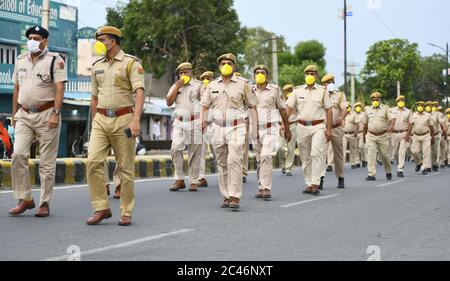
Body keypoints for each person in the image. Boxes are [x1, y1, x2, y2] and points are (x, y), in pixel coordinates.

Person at [86, 26, 145, 226]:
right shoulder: (96, 65)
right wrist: (95, 120)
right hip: (101, 120)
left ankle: (126, 211)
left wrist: (136, 119)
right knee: (93, 162)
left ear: (113, 41)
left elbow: (139, 91)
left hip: (124, 119)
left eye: (102, 39)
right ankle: (101, 207)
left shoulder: (130, 63)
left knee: (125, 168)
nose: (99, 43)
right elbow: (94, 97)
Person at [8, 26, 67, 217]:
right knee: (18, 154)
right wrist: (14, 115)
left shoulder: (55, 60)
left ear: (45, 41)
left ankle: (44, 202)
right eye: (30, 37)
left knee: (46, 162)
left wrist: (56, 114)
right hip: (23, 115)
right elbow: (16, 89)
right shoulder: (20, 60)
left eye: (37, 38)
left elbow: (59, 89)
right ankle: (24, 198)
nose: (32, 40)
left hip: (47, 113)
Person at [201, 53, 258, 210]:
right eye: (223, 63)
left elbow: (252, 106)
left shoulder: (243, 84)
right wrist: (203, 122)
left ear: (234, 66)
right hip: (217, 127)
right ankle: (226, 195)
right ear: (219, 67)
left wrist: (254, 128)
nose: (226, 65)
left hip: (237, 126)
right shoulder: (212, 85)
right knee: (221, 163)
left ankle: (234, 196)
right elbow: (204, 106)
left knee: (234, 160)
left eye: (229, 63)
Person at [286, 65, 332, 196]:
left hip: (318, 126)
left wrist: (329, 130)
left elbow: (329, 110)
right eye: (307, 73)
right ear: (304, 75)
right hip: (301, 127)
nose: (310, 75)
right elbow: (288, 108)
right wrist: (283, 124)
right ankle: (308, 183)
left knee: (316, 153)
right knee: (305, 156)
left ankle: (315, 183)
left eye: (313, 73)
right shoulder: (297, 91)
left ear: (317, 76)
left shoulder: (323, 91)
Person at [252, 65, 291, 200]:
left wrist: (287, 128)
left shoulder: (275, 90)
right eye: (257, 72)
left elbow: (283, 110)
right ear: (254, 76)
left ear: (267, 75)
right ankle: (261, 186)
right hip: (254, 129)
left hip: (270, 128)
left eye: (262, 72)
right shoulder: (250, 91)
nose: (260, 74)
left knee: (266, 155)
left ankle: (266, 188)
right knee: (258, 159)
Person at [166, 62, 202, 192]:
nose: (183, 75)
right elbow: (169, 102)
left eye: (186, 72)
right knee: (175, 147)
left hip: (195, 121)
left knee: (194, 152)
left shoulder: (199, 85)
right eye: (181, 73)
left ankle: (193, 180)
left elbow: (206, 103)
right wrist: (176, 87)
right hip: (179, 122)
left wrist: (205, 121)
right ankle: (179, 179)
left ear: (191, 73)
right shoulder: (176, 86)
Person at [321, 74, 348, 189]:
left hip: (336, 127)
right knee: (321, 154)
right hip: (323, 127)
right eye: (326, 82)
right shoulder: (320, 94)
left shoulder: (340, 94)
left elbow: (344, 109)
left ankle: (340, 177)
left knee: (338, 154)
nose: (329, 84)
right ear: (323, 84)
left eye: (331, 81)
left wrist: (341, 118)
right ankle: (320, 179)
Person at [363, 92, 395, 181]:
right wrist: (363, 135)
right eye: (373, 100)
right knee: (371, 154)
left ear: (380, 100)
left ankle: (388, 171)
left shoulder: (386, 109)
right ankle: (371, 174)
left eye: (377, 100)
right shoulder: (367, 110)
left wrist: (391, 126)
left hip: (383, 135)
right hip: (371, 135)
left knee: (385, 156)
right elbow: (365, 124)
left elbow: (392, 119)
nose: (375, 101)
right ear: (371, 101)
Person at [198, 70, 216, 188]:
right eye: (205, 78)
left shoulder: (217, 89)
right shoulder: (199, 92)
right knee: (201, 152)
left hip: (215, 125)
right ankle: (201, 177)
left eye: (209, 78)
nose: (207, 80)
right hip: (203, 126)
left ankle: (227, 175)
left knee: (218, 153)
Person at [389, 95, 412, 177]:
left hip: (403, 133)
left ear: (404, 102)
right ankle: (399, 163)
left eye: (402, 100)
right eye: (399, 101)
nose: (401, 102)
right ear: (397, 102)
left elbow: (410, 124)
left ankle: (400, 169)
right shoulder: (392, 110)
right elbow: (389, 120)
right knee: (394, 153)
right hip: (394, 134)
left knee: (402, 152)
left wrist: (408, 134)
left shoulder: (408, 111)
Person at [278, 84, 298, 176]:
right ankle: (282, 165)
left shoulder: (296, 100)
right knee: (280, 147)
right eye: (287, 90)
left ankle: (288, 168)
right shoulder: (280, 101)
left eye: (291, 90)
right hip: (281, 125)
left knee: (291, 147)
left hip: (293, 124)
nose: (289, 92)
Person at [411, 101, 434, 175]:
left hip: (426, 136)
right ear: (417, 107)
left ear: (424, 107)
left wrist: (432, 137)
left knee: (426, 153)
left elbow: (431, 127)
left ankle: (424, 168)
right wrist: (408, 134)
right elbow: (410, 125)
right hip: (416, 136)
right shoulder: (413, 115)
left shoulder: (427, 115)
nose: (420, 107)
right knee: (414, 152)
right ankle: (419, 163)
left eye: (421, 105)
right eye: (418, 105)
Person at [342, 105, 359, 169]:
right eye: (346, 107)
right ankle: (342, 164)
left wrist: (356, 132)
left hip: (352, 134)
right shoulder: (342, 115)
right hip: (344, 134)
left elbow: (357, 124)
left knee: (353, 149)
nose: (347, 108)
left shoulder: (353, 115)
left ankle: (353, 162)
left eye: (349, 106)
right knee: (343, 149)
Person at [354, 102, 366, 167]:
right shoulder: (353, 115)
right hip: (355, 133)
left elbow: (365, 124)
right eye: (356, 106)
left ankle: (363, 159)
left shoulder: (364, 114)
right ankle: (357, 161)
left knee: (361, 147)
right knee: (355, 147)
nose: (358, 107)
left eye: (359, 106)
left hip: (361, 132)